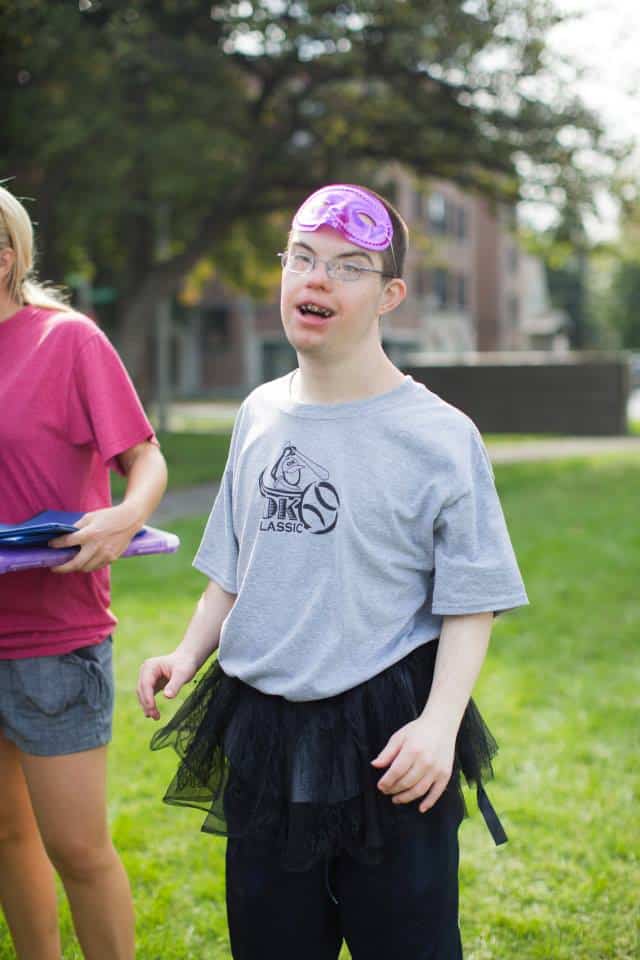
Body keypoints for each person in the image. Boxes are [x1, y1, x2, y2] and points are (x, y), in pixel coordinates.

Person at [137, 183, 528, 959]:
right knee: (271, 938)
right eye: (302, 258)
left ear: (389, 297)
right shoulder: (258, 414)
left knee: (406, 941)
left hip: (390, 735)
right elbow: (235, 569)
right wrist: (187, 652)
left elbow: (471, 601)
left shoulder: (440, 436)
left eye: (348, 267)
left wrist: (439, 725)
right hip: (262, 727)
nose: (316, 278)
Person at [0, 184, 167, 960]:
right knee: (5, 836)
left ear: (6, 256)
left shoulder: (66, 340)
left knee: (77, 849)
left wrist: (126, 517)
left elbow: (145, 458)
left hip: (53, 637)